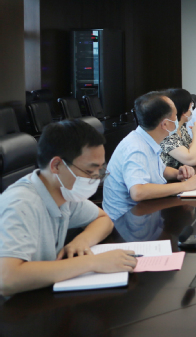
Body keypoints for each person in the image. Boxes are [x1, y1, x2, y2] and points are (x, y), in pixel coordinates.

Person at [0, 120, 137, 296]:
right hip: (15, 306)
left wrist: (83, 240)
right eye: (90, 171)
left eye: (100, 170)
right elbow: (6, 278)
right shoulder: (20, 204)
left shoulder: (63, 192)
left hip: (42, 294)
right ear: (56, 165)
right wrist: (93, 262)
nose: (96, 178)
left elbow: (103, 219)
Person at [103, 91, 196, 221]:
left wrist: (178, 173)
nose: (177, 119)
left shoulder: (148, 139)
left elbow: (159, 169)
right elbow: (138, 192)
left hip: (146, 211)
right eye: (175, 115)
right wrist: (185, 186)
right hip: (127, 221)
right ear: (165, 124)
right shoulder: (136, 148)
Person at [160, 88, 196, 169]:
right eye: (191, 105)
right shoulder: (167, 133)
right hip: (171, 176)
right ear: (183, 110)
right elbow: (192, 160)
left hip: (183, 173)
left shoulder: (181, 128)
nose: (192, 108)